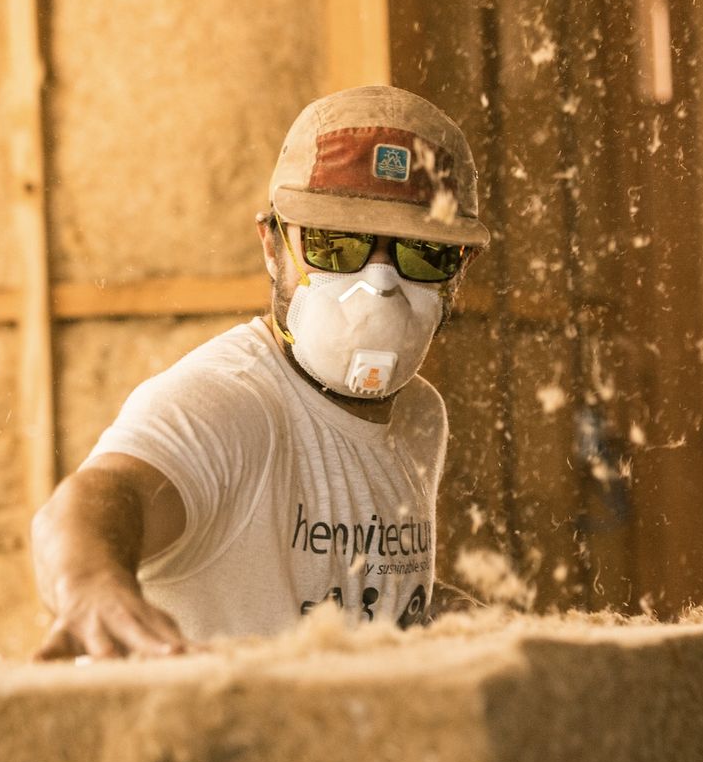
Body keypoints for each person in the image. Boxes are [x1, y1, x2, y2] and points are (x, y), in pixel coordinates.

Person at [31, 85, 489, 660]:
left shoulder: (421, 416)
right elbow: (94, 500)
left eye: (422, 253)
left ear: (460, 270)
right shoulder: (227, 401)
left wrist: (458, 618)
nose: (379, 285)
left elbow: (354, 591)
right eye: (336, 245)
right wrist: (90, 586)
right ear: (272, 246)